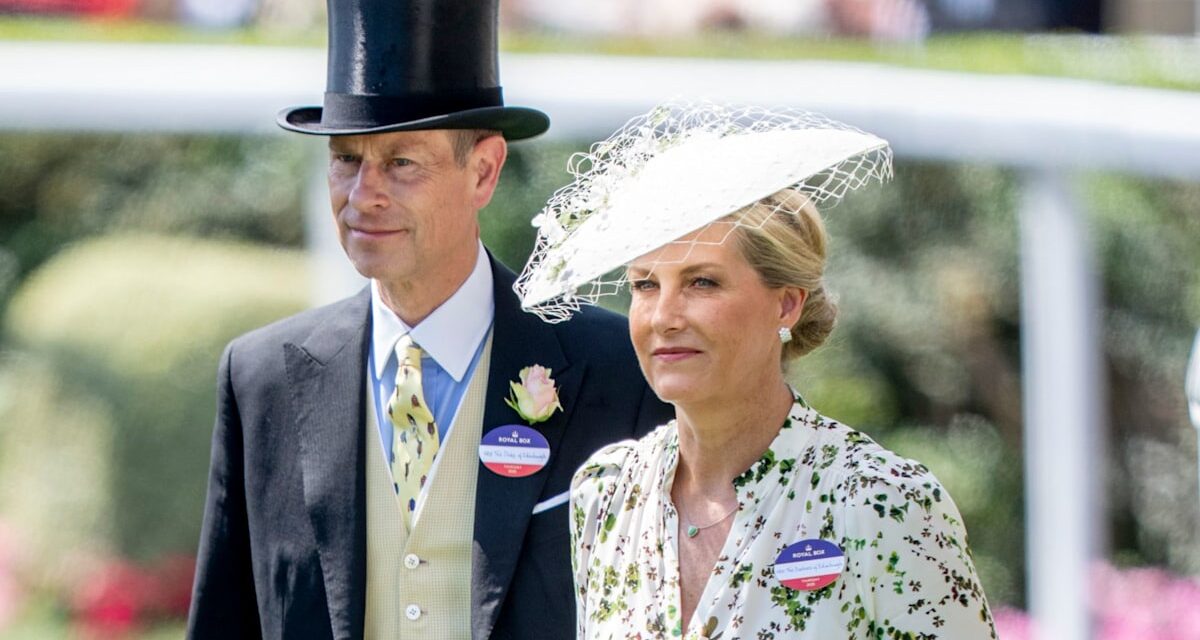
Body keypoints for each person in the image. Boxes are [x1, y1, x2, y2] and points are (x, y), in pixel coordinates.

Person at [186, 1, 671, 638]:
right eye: (346, 160)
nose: (364, 196)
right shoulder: (259, 378)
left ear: (485, 171)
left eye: (401, 162)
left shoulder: (617, 369)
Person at [516, 103, 997, 639]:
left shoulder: (880, 501)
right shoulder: (606, 493)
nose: (664, 317)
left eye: (703, 283)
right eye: (645, 285)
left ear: (787, 305)